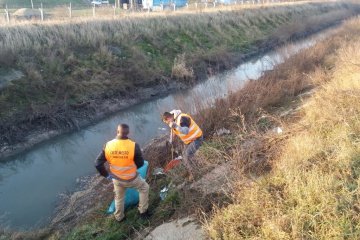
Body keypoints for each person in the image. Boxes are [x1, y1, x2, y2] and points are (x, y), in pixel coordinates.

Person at [94, 124, 152, 223]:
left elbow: (97, 163)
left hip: (116, 179)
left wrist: (107, 175)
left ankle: (119, 218)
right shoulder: (133, 145)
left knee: (119, 197)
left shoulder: (108, 145)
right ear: (128, 133)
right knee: (144, 188)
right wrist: (131, 168)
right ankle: (143, 212)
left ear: (117, 131)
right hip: (131, 178)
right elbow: (141, 163)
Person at [162, 110, 203, 181]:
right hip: (188, 141)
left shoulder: (183, 118)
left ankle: (193, 173)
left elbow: (186, 131)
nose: (168, 123)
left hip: (197, 138)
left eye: (167, 122)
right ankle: (188, 171)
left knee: (187, 156)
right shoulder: (173, 121)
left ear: (168, 119)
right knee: (184, 156)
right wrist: (170, 140)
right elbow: (174, 132)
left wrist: (175, 125)